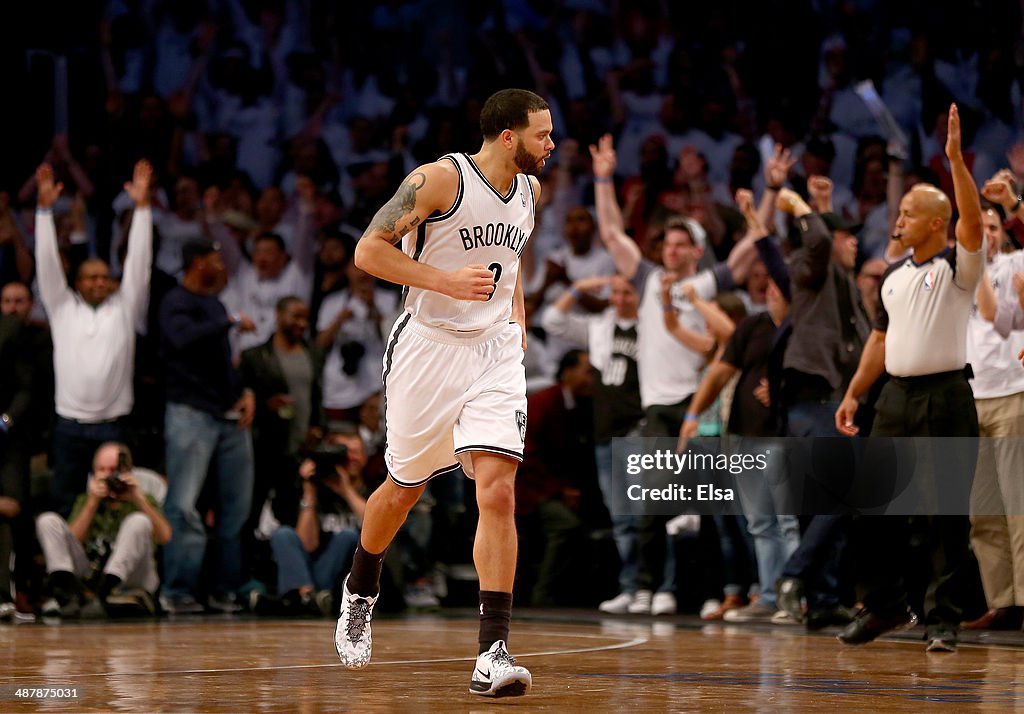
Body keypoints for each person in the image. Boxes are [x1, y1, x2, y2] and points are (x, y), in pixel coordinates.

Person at [333, 88, 549, 698]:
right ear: (507, 136)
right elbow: (367, 251)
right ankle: (361, 589)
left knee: (500, 490)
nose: (551, 145)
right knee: (403, 490)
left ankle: (493, 654)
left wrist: (518, 316)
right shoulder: (438, 180)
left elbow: (516, 259)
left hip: (495, 352)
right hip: (427, 346)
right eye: (542, 134)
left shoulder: (531, 191)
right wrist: (445, 282)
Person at [834, 104, 984, 652]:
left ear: (935, 224)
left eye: (907, 212)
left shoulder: (957, 268)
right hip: (893, 397)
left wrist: (954, 163)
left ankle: (942, 618)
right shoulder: (894, 276)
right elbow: (879, 340)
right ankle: (883, 607)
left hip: (945, 395)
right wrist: (855, 392)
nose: (897, 220)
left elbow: (971, 223)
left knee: (945, 514)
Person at [34, 161, 153, 517]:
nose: (100, 282)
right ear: (77, 283)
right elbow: (47, 265)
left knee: (116, 506)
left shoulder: (126, 307)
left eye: (105, 277)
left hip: (113, 425)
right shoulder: (62, 307)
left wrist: (143, 209)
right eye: (91, 277)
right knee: (66, 503)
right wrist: (43, 211)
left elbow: (139, 265)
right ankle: (67, 570)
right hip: (68, 426)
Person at [158, 239, 256, 614]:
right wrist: (228, 321)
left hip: (227, 415)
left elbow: (219, 364)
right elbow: (181, 340)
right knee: (183, 505)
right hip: (189, 414)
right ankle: (178, 590)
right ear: (198, 263)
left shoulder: (213, 305)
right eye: (215, 259)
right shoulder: (175, 301)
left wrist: (244, 392)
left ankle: (225, 588)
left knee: (236, 507)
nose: (221, 265)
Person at [35, 443, 171, 618]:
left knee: (139, 521)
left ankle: (105, 592)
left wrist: (138, 499)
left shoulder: (143, 499)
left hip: (133, 577)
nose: (108, 476)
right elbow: (71, 541)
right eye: (102, 469)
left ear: (127, 472)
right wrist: (92, 502)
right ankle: (67, 592)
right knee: (48, 520)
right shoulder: (87, 499)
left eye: (114, 469)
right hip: (92, 574)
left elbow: (165, 537)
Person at [253, 425, 367, 618]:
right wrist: (309, 493)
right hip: (307, 571)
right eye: (344, 452)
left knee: (347, 536)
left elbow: (378, 530)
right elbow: (307, 544)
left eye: (356, 452)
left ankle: (293, 602)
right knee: (284, 535)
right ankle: (307, 598)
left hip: (341, 580)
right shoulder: (306, 488)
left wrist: (346, 491)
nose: (350, 458)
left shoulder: (372, 489)